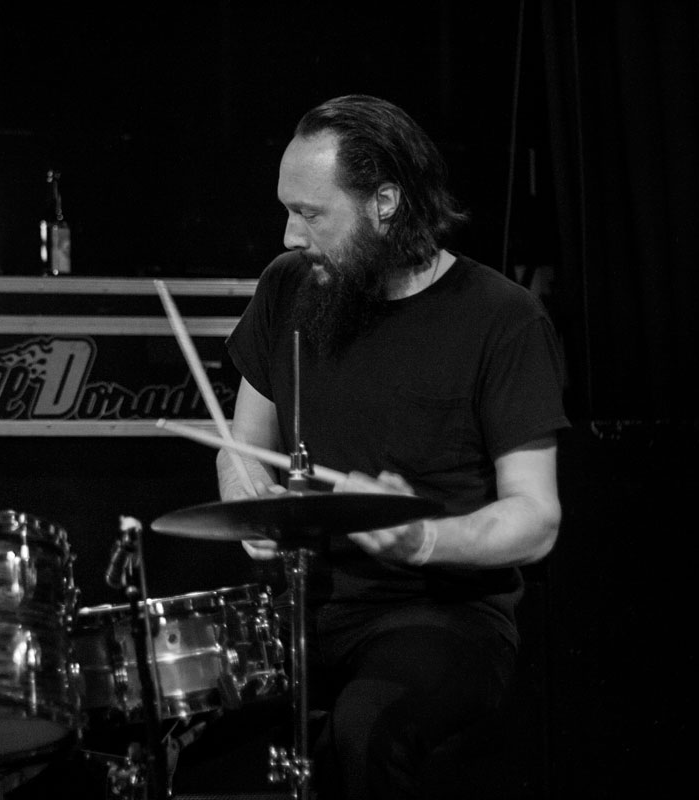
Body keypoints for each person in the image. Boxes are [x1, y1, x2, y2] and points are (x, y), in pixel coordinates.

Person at [216, 94, 569, 799]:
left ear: (384, 203)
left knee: (366, 723)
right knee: (178, 727)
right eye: (287, 209)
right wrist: (245, 500)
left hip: (439, 614)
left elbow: (536, 518)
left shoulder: (501, 318)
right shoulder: (288, 289)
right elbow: (240, 445)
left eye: (311, 213)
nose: (289, 236)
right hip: (297, 605)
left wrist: (425, 540)